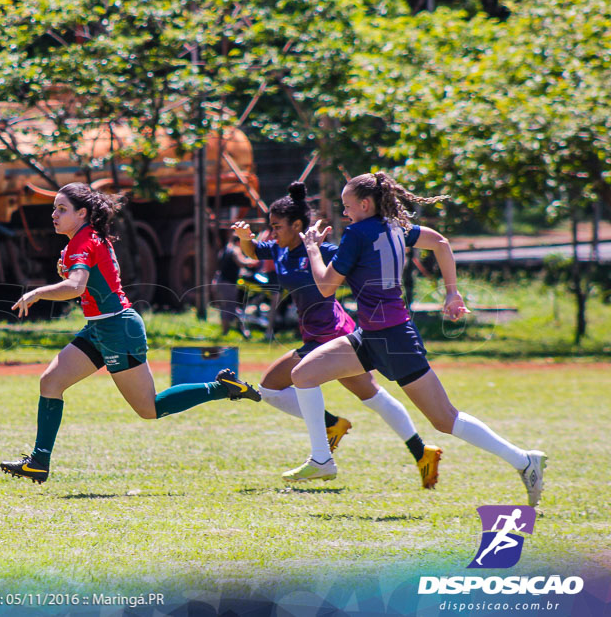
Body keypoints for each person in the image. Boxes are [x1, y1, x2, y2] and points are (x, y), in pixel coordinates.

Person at [291, 171, 546, 506]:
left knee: (445, 419)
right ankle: (322, 459)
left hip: (394, 338)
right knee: (303, 375)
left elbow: (325, 286)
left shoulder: (356, 232)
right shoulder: (397, 227)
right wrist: (451, 293)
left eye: (348, 205)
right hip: (373, 335)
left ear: (365, 204)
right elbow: (440, 242)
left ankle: (525, 461)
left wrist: (311, 248)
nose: (345, 212)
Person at [0, 182, 262, 484]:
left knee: (150, 409)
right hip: (101, 326)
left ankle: (223, 388)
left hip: (117, 329)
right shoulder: (87, 238)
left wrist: (38, 293)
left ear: (82, 213)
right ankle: (38, 462)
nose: (54, 215)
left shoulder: (82, 241)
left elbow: (76, 287)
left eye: (62, 209)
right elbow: (89, 282)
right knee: (51, 381)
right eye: (54, 208)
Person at [232, 182, 441, 488]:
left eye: (276, 226)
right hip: (315, 334)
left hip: (334, 333)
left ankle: (333, 431)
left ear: (298, 225)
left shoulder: (322, 250)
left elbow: (349, 264)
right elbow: (253, 250)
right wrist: (243, 239)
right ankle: (420, 451)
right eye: (270, 227)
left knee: (273, 388)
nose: (272, 233)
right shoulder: (279, 248)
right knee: (372, 396)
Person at [212, 235, 258, 338]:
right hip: (228, 283)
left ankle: (234, 331)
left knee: (226, 307)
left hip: (219, 281)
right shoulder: (235, 250)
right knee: (230, 308)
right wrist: (252, 262)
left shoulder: (224, 249)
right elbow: (241, 262)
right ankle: (229, 332)